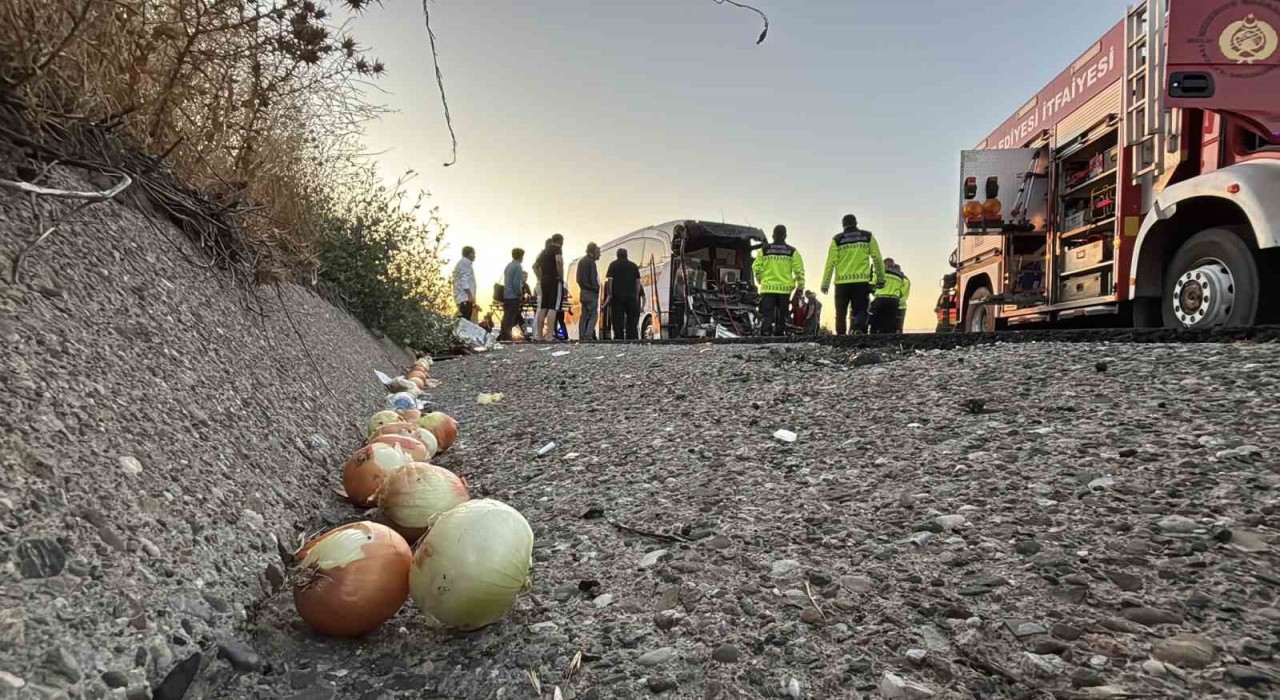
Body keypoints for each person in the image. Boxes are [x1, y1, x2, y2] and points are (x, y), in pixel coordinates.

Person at [821, 214, 885, 335]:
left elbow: (830, 263)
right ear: (856, 223)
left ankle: (840, 339)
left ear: (843, 225)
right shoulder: (867, 236)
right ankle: (858, 331)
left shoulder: (837, 239)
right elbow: (877, 258)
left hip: (841, 283)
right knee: (860, 310)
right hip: (861, 282)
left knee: (840, 313)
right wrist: (881, 278)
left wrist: (825, 283)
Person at [752, 225, 805, 336]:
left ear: (773, 236)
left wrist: (760, 279)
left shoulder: (764, 250)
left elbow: (755, 267)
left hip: (768, 288)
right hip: (784, 289)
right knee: (782, 314)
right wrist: (800, 285)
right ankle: (779, 335)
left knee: (767, 314)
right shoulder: (792, 251)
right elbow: (799, 270)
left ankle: (765, 334)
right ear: (785, 236)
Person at [533, 234, 564, 341]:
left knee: (543, 308)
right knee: (553, 308)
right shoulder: (557, 249)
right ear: (560, 241)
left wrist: (540, 278)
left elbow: (534, 266)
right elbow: (559, 262)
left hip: (544, 281)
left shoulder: (544, 252)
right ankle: (550, 336)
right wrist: (560, 277)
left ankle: (539, 336)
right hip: (554, 280)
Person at [606, 248, 642, 340]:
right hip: (631, 296)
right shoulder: (633, 266)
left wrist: (609, 295)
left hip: (617, 296)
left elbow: (610, 281)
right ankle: (632, 337)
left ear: (617, 255)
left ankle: (619, 337)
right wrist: (637, 296)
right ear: (626, 255)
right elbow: (637, 282)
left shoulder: (613, 265)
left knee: (618, 319)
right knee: (631, 319)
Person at [870, 258, 909, 334]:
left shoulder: (881, 273)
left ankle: (873, 338)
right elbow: (901, 290)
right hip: (894, 301)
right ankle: (889, 340)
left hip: (880, 299)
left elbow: (873, 285)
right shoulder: (899, 276)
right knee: (890, 323)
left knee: (875, 321)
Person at [499, 248, 526, 341]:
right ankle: (507, 336)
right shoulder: (518, 266)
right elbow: (516, 282)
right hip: (513, 295)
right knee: (511, 317)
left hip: (506, 294)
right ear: (521, 256)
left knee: (506, 316)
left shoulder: (509, 265)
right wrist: (520, 293)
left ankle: (503, 334)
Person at [577, 243, 602, 340]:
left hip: (583, 292)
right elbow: (593, 278)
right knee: (593, 315)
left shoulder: (581, 261)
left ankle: (582, 335)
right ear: (593, 251)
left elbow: (578, 279)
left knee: (584, 315)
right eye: (598, 252)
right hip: (591, 292)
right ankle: (588, 335)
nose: (599, 254)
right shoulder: (591, 262)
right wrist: (595, 288)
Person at [452, 246, 477, 320]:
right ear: (468, 254)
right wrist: (470, 295)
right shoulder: (465, 263)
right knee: (465, 319)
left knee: (464, 318)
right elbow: (464, 280)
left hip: (464, 298)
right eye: (473, 253)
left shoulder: (464, 263)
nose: (474, 255)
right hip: (464, 297)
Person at [896, 264, 911, 333]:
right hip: (901, 306)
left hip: (899, 306)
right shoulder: (905, 280)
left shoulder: (903, 280)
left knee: (897, 328)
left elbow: (900, 293)